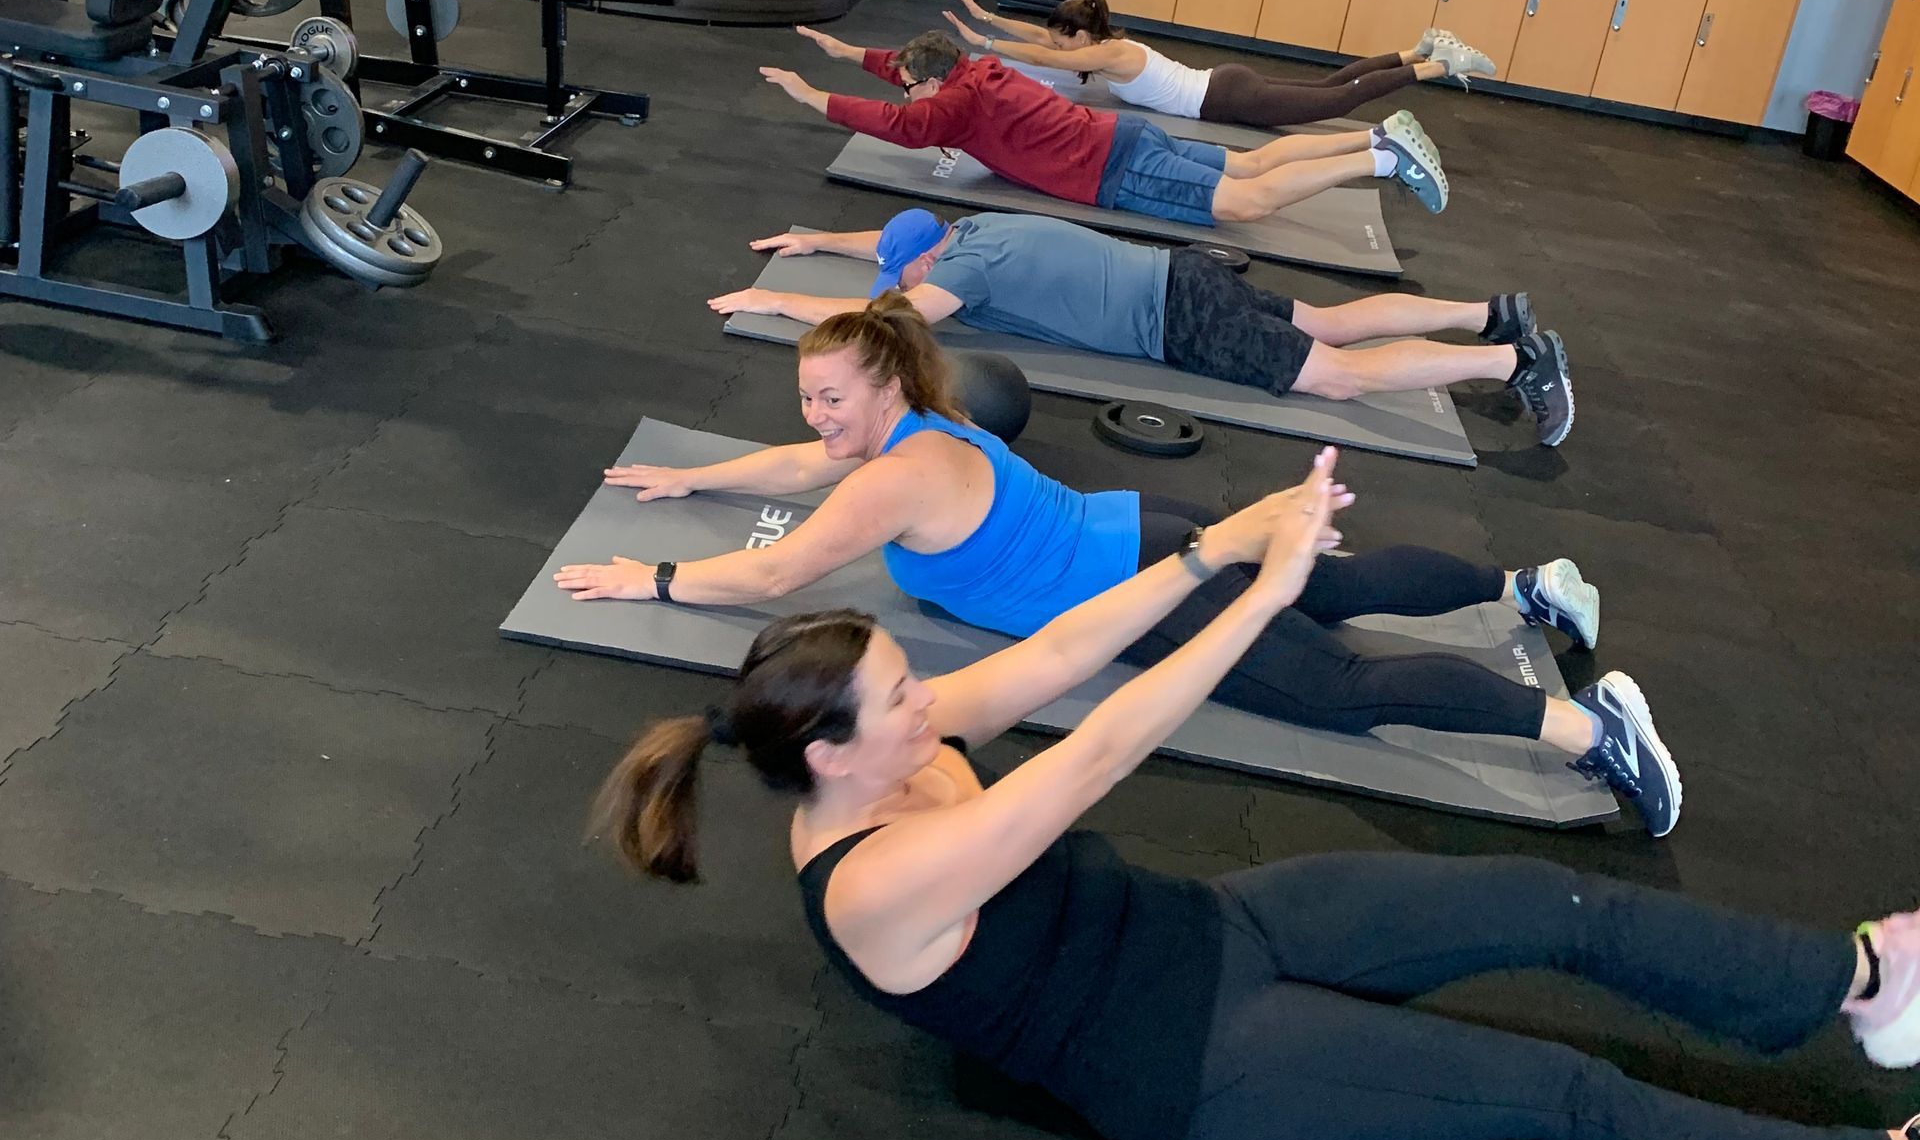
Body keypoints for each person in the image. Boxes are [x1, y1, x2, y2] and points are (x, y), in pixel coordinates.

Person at [592, 463, 1920, 1140]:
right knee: (1551, 1091)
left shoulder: (903, 743)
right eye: (896, 698)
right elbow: (1101, 748)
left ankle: (1848, 983)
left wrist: (1209, 549)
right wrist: (1265, 603)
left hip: (1209, 928)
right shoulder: (874, 884)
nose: (927, 700)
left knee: (1542, 901)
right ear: (828, 758)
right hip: (1195, 1069)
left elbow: (1061, 657)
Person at [555, 299, 1670, 830]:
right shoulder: (917, 427)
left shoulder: (890, 478)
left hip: (1144, 591)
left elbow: (772, 578)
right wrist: (697, 482)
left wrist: (647, 582)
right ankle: (1526, 592)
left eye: (831, 396)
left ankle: (1589, 732)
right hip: (1145, 523)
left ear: (885, 389)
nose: (816, 417)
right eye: (807, 397)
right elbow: (804, 464)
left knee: (1340, 691)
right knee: (1332, 583)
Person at [712, 206, 1576, 447]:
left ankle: (1512, 363)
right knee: (1336, 322)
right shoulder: (967, 231)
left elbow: (874, 324)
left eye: (903, 279)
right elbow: (894, 253)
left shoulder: (958, 273)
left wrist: (775, 302)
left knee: (1336, 375)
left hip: (1174, 317)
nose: (901, 289)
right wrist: (820, 237)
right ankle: (1490, 314)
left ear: (924, 268)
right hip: (1180, 272)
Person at [761, 28, 1450, 229]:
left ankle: (1384, 159)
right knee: (1247, 166)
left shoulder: (950, 106)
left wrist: (811, 94)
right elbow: (904, 73)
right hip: (1122, 135)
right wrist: (851, 53)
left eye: (915, 86)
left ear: (935, 84)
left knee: (1248, 203)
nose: (910, 92)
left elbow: (896, 122)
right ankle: (1371, 135)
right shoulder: (970, 71)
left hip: (1113, 169)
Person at [943, 0, 1497, 128]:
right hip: (1225, 84)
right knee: (1329, 88)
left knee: (1334, 102)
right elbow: (1044, 44)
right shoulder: (1105, 44)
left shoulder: (1109, 55)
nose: (1057, 43)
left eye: (1063, 36)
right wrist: (989, 19)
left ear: (1080, 35)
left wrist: (987, 44)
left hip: (1224, 97)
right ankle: (1417, 49)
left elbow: (1049, 60)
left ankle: (1439, 65)